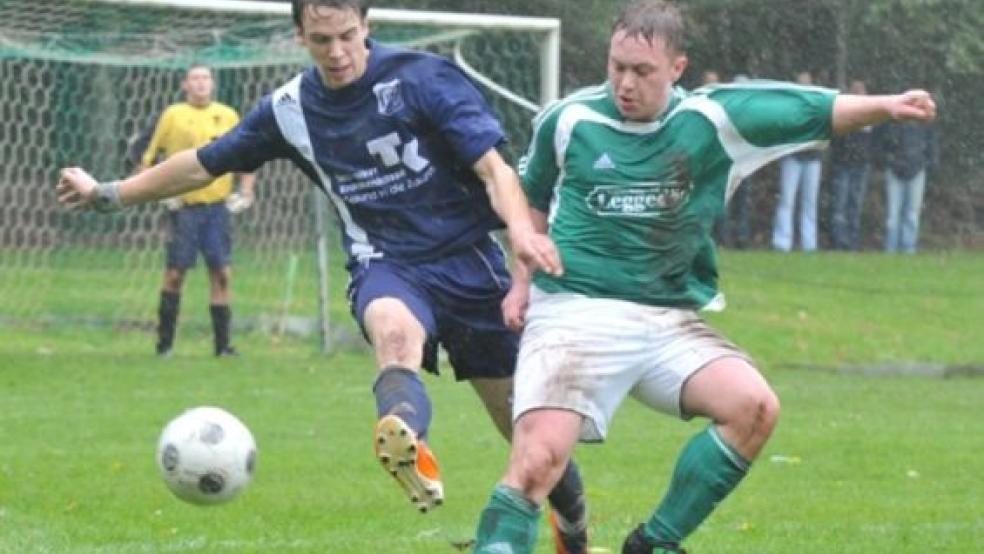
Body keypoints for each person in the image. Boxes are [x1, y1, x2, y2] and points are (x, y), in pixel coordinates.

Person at [56, 1, 589, 551]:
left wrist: (521, 232)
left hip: (468, 265)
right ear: (299, 37)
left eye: (345, 36)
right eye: (320, 40)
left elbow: (493, 167)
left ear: (367, 28)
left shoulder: (421, 78)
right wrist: (111, 194)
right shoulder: (289, 108)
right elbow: (203, 162)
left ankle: (573, 526)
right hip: (385, 262)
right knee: (394, 334)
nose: (335, 52)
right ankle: (408, 439)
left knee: (522, 429)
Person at [468, 1, 936, 553]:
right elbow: (533, 201)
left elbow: (808, 110)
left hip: (666, 320)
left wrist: (886, 106)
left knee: (754, 407)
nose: (625, 83)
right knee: (537, 463)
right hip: (575, 310)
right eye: (617, 66)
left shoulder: (712, 120)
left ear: (677, 68)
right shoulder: (568, 119)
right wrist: (521, 282)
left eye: (642, 71)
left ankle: (653, 544)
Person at [138, 64, 257, 357]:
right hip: (184, 209)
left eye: (206, 78)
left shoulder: (228, 114)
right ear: (185, 85)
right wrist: (157, 192)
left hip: (218, 209)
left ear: (213, 84)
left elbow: (247, 155)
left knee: (221, 274)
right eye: (195, 78)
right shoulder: (173, 115)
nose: (201, 83)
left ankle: (223, 347)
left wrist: (246, 190)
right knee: (175, 274)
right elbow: (149, 158)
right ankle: (164, 346)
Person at [771, 70, 825, 252]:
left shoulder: (817, 107)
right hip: (792, 157)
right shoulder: (790, 108)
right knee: (787, 200)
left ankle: (809, 244)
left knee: (809, 202)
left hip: (813, 158)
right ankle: (782, 242)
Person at [875, 118, 939, 253]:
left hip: (916, 170)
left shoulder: (924, 121)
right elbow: (881, 144)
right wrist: (889, 161)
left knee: (911, 216)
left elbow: (931, 144)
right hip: (896, 171)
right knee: (894, 216)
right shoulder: (892, 120)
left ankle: (908, 251)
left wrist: (927, 162)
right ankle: (891, 250)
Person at [829, 79, 875, 250]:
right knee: (840, 206)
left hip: (861, 166)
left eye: (861, 91)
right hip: (843, 164)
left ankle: (852, 243)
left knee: (854, 206)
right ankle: (838, 243)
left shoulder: (870, 117)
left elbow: (872, 143)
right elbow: (837, 141)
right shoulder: (844, 114)